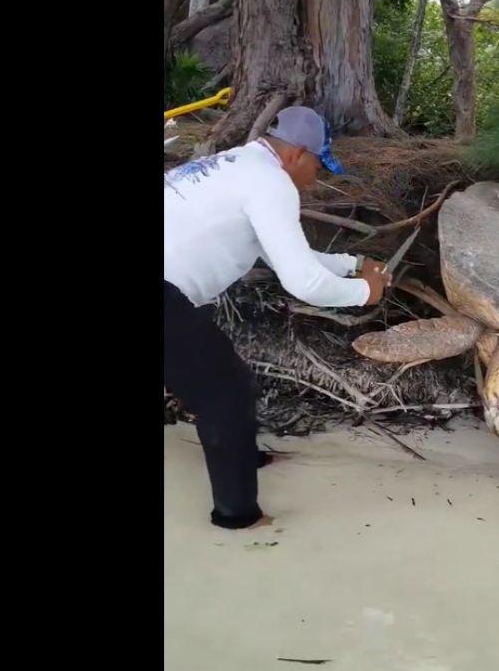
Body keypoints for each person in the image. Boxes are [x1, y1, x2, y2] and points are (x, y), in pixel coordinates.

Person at [164, 106, 391, 529]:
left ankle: (242, 455)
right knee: (225, 394)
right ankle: (238, 518)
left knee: (229, 380)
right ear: (297, 154)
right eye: (318, 167)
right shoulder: (272, 183)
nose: (314, 179)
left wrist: (354, 264)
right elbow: (304, 282)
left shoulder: (241, 165)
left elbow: (285, 254)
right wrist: (366, 293)